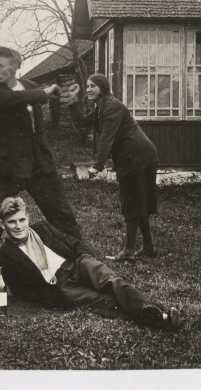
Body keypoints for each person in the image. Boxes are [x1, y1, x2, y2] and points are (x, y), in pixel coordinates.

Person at [0, 47, 83, 284]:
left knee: (63, 216)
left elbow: (49, 97)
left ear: (15, 66)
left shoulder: (31, 86)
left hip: (39, 165)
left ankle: (83, 260)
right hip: (8, 169)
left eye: (0, 66)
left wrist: (68, 95)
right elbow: (16, 100)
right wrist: (45, 92)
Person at [0, 197, 182, 330]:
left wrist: (87, 259)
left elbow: (74, 244)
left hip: (76, 265)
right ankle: (159, 316)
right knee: (99, 302)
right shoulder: (4, 257)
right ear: (2, 224)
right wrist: (52, 296)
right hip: (59, 286)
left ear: (28, 218)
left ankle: (149, 309)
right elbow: (21, 292)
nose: (18, 226)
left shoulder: (41, 228)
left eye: (21, 220)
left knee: (112, 282)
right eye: (12, 222)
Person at [65, 74, 159, 262]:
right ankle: (148, 247)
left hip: (137, 157)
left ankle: (129, 250)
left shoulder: (112, 107)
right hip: (136, 156)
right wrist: (74, 101)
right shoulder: (102, 108)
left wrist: (97, 166)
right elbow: (81, 122)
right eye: (88, 86)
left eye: (93, 86)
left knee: (132, 203)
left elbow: (106, 138)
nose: (89, 89)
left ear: (103, 88)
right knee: (138, 202)